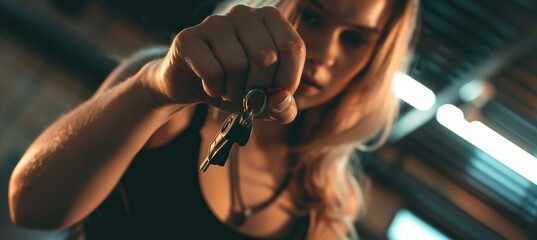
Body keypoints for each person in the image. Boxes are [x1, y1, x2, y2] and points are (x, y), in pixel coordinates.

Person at [8, 0, 418, 239]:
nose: (327, 52)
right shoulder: (167, 89)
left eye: (355, 39)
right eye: (311, 16)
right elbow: (30, 207)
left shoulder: (326, 202)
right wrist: (153, 91)